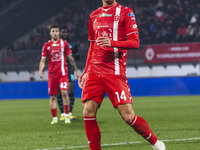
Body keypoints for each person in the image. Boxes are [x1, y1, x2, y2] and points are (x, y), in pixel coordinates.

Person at [78, 0, 166, 150]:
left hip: (114, 72)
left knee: (128, 117)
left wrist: (111, 42)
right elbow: (92, 45)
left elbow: (135, 42)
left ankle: (156, 142)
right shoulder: (94, 15)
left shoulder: (126, 12)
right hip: (94, 70)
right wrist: (86, 71)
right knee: (88, 111)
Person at [39, 25, 80, 124]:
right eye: (53, 31)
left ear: (59, 33)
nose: (55, 33)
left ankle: (66, 115)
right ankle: (54, 118)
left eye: (57, 31)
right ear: (50, 33)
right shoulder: (46, 45)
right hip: (52, 75)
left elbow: (70, 58)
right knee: (52, 96)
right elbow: (43, 60)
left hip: (63, 73)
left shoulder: (64, 43)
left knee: (64, 93)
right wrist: (41, 70)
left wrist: (76, 70)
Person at [57, 26, 80, 120]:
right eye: (63, 32)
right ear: (60, 33)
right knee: (59, 92)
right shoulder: (56, 43)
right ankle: (62, 114)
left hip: (69, 69)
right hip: (58, 70)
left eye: (66, 32)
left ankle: (69, 113)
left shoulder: (73, 44)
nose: (65, 34)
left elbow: (77, 57)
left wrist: (73, 56)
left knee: (70, 90)